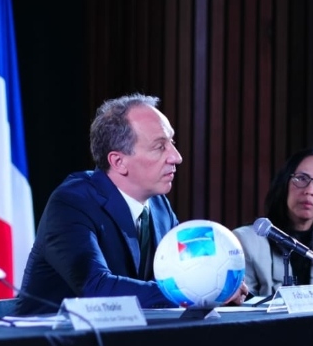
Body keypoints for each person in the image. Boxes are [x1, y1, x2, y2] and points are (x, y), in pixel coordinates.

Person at [17, 93, 247, 314]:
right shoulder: (72, 203)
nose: (176, 157)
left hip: (125, 337)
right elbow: (96, 288)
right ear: (118, 162)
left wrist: (218, 284)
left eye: (172, 142)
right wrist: (194, 292)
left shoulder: (159, 206)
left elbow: (183, 270)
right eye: (160, 146)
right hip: (51, 339)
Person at [233, 147, 313, 297]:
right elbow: (243, 302)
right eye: (301, 178)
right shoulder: (247, 240)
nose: (309, 191)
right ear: (285, 185)